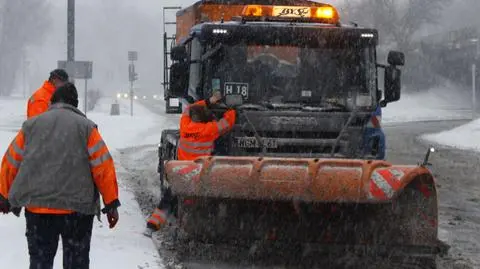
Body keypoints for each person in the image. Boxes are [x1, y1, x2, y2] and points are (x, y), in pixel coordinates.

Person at [0, 82, 120, 269]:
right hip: (77, 212)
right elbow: (103, 166)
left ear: (52, 101)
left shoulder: (31, 126)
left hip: (38, 210)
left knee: (40, 262)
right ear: (75, 104)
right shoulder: (86, 128)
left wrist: (3, 194)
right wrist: (111, 203)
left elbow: (11, 160)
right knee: (76, 263)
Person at [144, 92, 236, 236]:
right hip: (201, 174)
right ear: (205, 118)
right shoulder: (210, 130)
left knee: (168, 199)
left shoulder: (185, 126)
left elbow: (188, 109)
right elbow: (228, 122)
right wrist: (231, 109)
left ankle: (152, 226)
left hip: (182, 172)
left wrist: (207, 101)